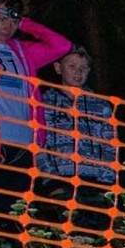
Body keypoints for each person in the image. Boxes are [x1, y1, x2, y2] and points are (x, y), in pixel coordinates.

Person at [0, 0, 70, 190]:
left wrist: (25, 23)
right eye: (2, 19)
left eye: (13, 21)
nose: (9, 26)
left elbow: (62, 45)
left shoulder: (22, 51)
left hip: (24, 143)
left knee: (17, 209)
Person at [34, 44, 118, 194]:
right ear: (58, 68)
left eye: (83, 68)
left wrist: (106, 182)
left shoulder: (101, 105)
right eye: (72, 66)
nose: (78, 72)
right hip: (60, 184)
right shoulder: (43, 103)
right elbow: (38, 145)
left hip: (95, 184)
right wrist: (51, 182)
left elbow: (111, 147)